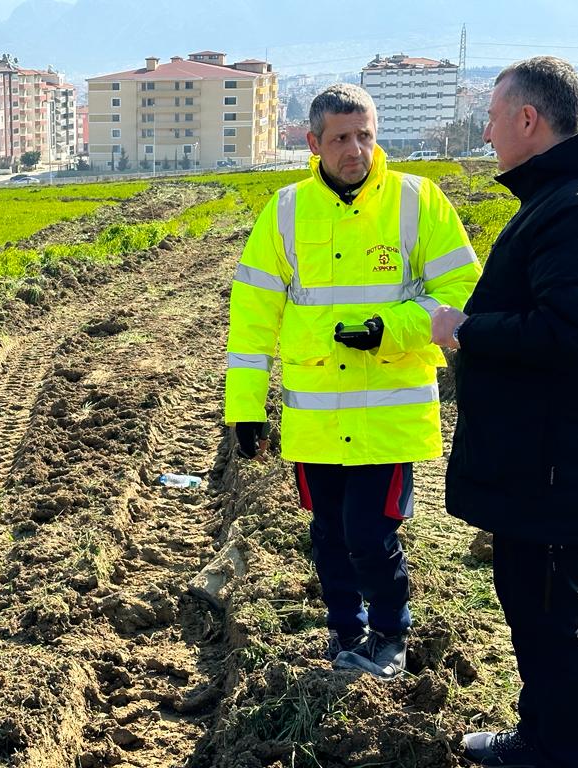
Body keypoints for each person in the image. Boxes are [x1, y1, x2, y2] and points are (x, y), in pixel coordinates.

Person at [226, 83, 480, 679]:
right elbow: (253, 318)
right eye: (341, 138)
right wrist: (244, 408)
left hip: (388, 412)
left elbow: (462, 293)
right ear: (313, 143)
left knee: (369, 533)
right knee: (329, 534)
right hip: (317, 416)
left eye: (365, 134)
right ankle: (346, 632)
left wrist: (388, 328)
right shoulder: (285, 211)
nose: (356, 149)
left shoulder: (419, 201)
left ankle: (391, 632)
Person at [431, 56, 578, 768]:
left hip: (553, 474)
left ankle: (550, 748)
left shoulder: (570, 208)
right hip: (546, 464)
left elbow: (568, 333)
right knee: (543, 608)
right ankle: (548, 733)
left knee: (548, 613)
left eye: (493, 117)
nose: (486, 132)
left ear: (528, 119)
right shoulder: (555, 198)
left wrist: (465, 330)